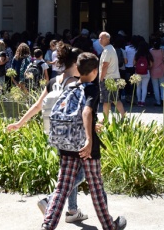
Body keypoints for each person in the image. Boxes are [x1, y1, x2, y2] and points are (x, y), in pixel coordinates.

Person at [40, 52, 127, 230]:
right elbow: (86, 112)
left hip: (66, 143)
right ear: (95, 71)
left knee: (61, 187)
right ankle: (109, 225)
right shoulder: (92, 88)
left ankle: (47, 225)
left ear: (78, 70)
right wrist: (88, 139)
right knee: (96, 185)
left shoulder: (70, 87)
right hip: (86, 146)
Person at [8, 46, 89, 224]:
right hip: (74, 136)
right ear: (76, 63)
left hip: (56, 134)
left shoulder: (54, 81)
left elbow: (38, 105)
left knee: (69, 171)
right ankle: (51, 199)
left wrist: (20, 123)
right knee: (81, 174)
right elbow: (83, 111)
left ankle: (72, 211)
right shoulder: (75, 83)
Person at [99, 32, 125, 119]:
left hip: (108, 78)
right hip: (112, 78)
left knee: (109, 100)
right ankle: (121, 117)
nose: (100, 40)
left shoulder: (108, 50)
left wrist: (101, 78)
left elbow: (105, 65)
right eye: (99, 38)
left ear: (108, 39)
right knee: (113, 99)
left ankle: (107, 119)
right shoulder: (109, 49)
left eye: (102, 38)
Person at [149, 37, 164, 106]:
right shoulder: (162, 51)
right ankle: (163, 99)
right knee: (163, 86)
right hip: (162, 70)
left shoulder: (150, 51)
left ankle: (158, 101)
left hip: (153, 70)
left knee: (155, 87)